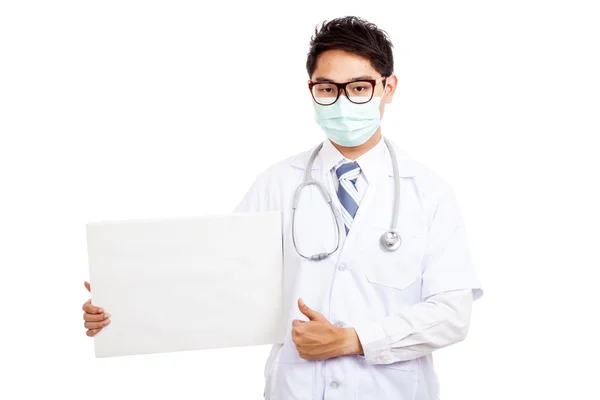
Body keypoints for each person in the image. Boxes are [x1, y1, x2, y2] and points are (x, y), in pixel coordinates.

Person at [82, 16, 483, 399]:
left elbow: (451, 314)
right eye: (327, 89)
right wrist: (125, 303)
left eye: (358, 88)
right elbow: (215, 281)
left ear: (388, 88)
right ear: (312, 89)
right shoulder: (277, 183)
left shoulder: (430, 193)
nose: (342, 101)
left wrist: (353, 340)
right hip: (296, 389)